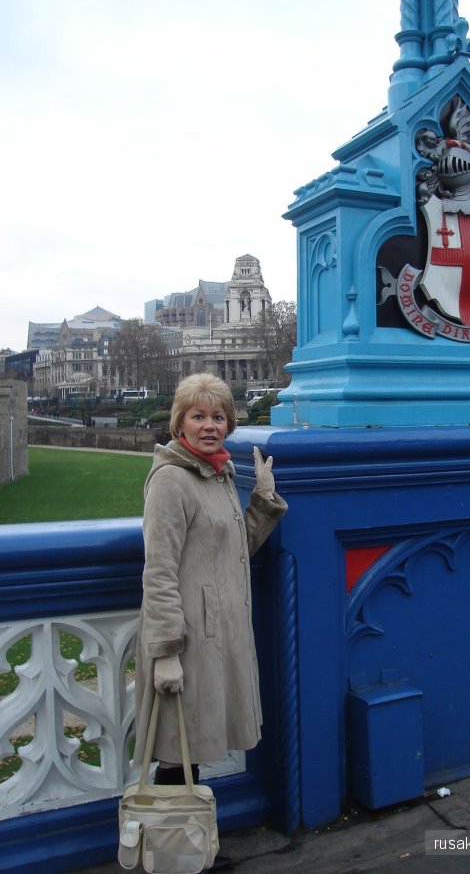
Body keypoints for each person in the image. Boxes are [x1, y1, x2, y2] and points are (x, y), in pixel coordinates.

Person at [133, 373, 287, 870]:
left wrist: (261, 500)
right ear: (180, 421)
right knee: (178, 750)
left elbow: (234, 552)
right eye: (198, 416)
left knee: (191, 747)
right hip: (187, 640)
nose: (209, 426)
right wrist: (165, 655)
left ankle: (188, 854)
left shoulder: (219, 473)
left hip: (217, 636)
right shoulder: (171, 479)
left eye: (218, 417)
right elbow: (157, 572)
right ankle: (172, 858)